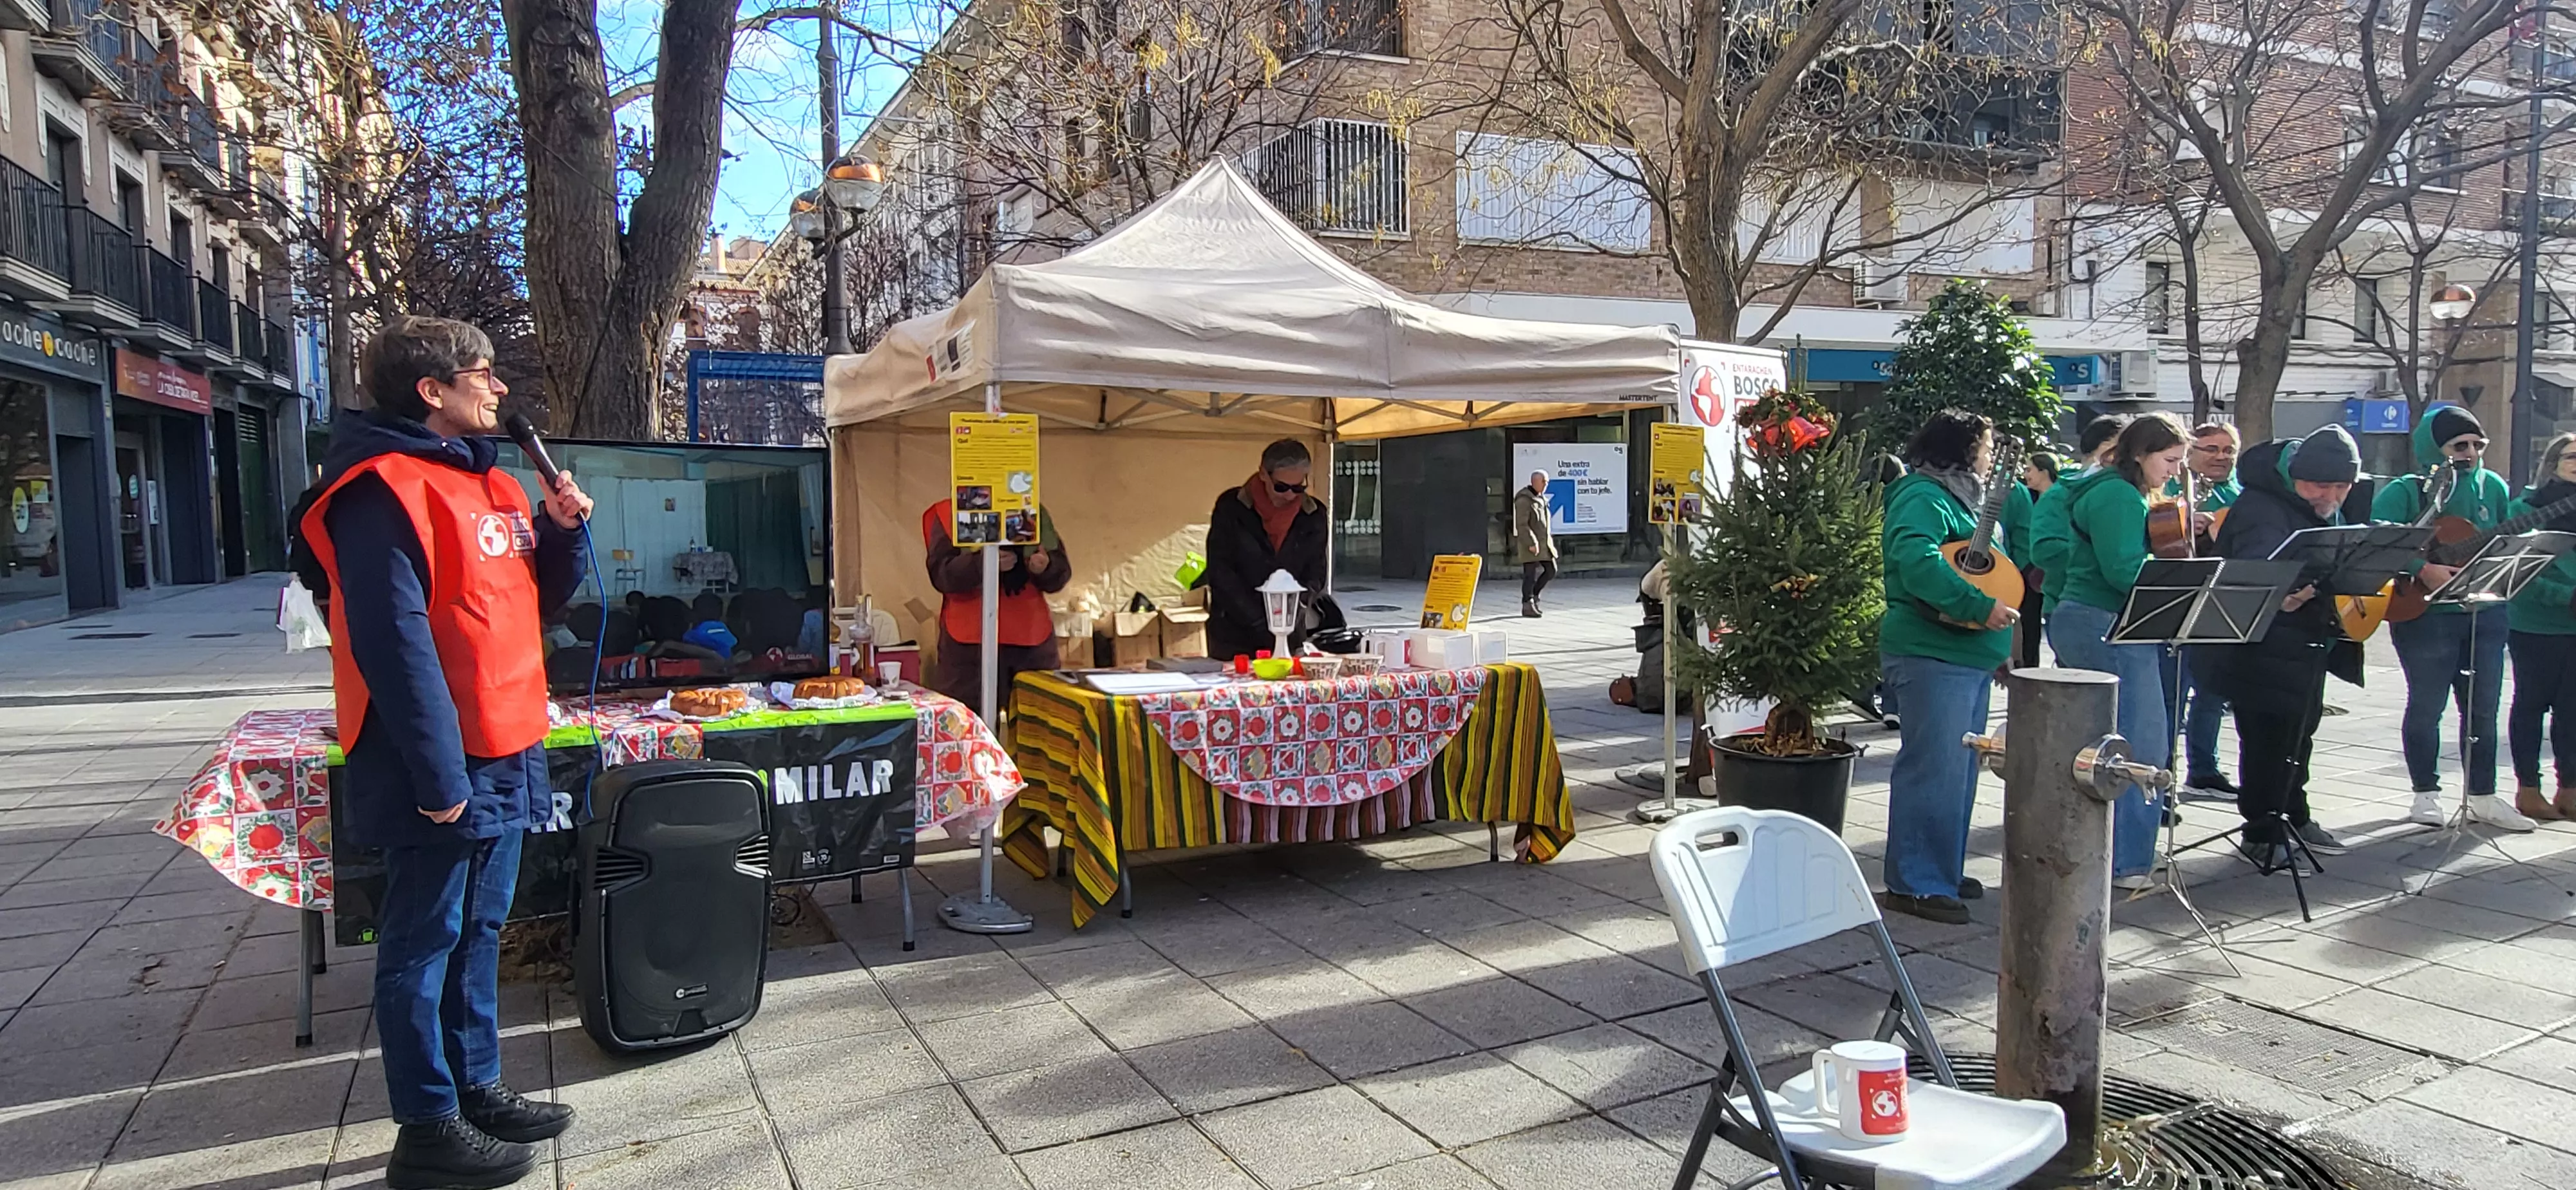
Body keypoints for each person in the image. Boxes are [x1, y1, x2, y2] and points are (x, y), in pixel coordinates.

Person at [298, 317, 587, 1190]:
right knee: (423, 942)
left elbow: (535, 600)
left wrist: (560, 531)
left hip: (508, 739)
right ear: (432, 390)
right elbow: (394, 643)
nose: (499, 389)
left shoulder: (492, 480)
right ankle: (426, 1127)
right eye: (483, 374)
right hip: (437, 755)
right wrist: (436, 772)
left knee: (481, 928)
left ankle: (477, 1088)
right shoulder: (377, 490)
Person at [2195, 426, 2363, 867]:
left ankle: (2295, 815)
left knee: (2299, 734)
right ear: (2295, 476)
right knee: (2267, 739)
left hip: (2306, 640)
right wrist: (2289, 592)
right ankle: (2262, 831)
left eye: (2341, 487)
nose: (2330, 497)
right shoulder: (2261, 508)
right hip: (2258, 645)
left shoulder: (2318, 505)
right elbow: (2256, 573)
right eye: (2319, 486)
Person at [1877, 410, 2016, 924]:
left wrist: (1997, 647)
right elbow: (1918, 563)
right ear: (1961, 449)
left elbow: (1988, 574)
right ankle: (1915, 883)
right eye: (1986, 446)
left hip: (1964, 653)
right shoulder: (1923, 496)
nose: (1990, 455)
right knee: (1933, 769)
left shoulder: (1963, 499)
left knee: (1957, 771)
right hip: (1930, 651)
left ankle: (1942, 869)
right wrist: (1978, 608)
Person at [2372, 405, 2535, 831]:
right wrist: (2421, 567)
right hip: (2424, 613)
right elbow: (2377, 541)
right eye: (2459, 445)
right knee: (2428, 705)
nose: (2471, 453)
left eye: (2478, 445)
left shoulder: (2493, 486)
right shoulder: (2406, 490)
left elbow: (2503, 537)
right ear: (2434, 448)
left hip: (2485, 611)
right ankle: (2425, 793)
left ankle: (2483, 795)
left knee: (2483, 708)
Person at [2048, 413, 2190, 891]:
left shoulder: (2112, 491)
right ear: (2141, 454)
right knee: (2141, 744)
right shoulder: (2119, 496)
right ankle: (2127, 862)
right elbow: (2124, 571)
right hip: (2108, 623)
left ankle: (2100, 853)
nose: (2175, 471)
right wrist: (2183, 583)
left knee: (2097, 745)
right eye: (2169, 460)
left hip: (2089, 620)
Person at [922, 502, 1071, 712]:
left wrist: (1046, 567)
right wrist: (982, 564)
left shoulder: (1029, 508)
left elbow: (1060, 572)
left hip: (1030, 641)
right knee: (965, 723)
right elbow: (941, 574)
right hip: (968, 646)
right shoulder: (948, 511)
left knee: (1039, 720)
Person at [1205, 439, 1331, 661]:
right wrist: (1258, 620)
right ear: (1263, 474)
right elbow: (1220, 569)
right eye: (1281, 487)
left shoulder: (1313, 514)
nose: (1290, 495)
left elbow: (1316, 573)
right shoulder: (1231, 507)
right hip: (1235, 635)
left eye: (1298, 487)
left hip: (1289, 634)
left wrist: (1294, 611)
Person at [2170, 422, 2243, 797]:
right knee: (2173, 694)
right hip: (2178, 600)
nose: (2221, 457)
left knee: (2213, 691)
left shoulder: (2238, 494)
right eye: (2211, 449)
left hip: (2221, 601)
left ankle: (2204, 769)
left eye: (2228, 450)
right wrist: (2186, 524)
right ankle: (2162, 773)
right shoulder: (2171, 486)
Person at [2506, 432, 2576, 822]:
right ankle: (2528, 789)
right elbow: (2519, 573)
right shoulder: (2526, 507)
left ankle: (2570, 788)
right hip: (2535, 625)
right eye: (2572, 456)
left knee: (2572, 710)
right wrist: (2567, 597)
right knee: (2531, 706)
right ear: (2553, 462)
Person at [2030, 414, 2132, 652]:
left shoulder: (2124, 490)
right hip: (2070, 605)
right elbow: (2043, 550)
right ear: (2105, 449)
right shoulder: (2060, 493)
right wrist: (2097, 556)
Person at [2011, 452, 2059, 669]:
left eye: (2029, 469)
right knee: (2028, 622)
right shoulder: (2028, 496)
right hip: (2028, 567)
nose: (2026, 474)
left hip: (2045, 567)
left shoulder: (2060, 498)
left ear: (2044, 472)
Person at [1513, 469, 1557, 618]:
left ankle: (1534, 596)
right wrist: (1531, 542)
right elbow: (1522, 524)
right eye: (1543, 481)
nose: (1546, 484)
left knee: (1551, 570)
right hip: (1530, 544)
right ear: (1535, 482)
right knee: (1530, 575)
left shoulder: (1541, 498)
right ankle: (1527, 604)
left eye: (1547, 482)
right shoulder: (1524, 500)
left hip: (1544, 544)